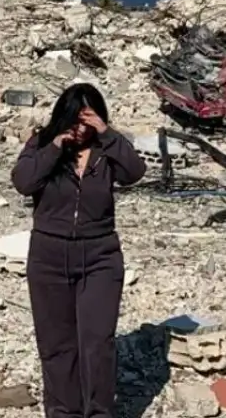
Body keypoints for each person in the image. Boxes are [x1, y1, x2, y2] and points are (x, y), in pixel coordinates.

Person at [11, 83, 147, 418]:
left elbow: (135, 173)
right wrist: (56, 146)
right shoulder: (42, 143)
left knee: (97, 343)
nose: (82, 128)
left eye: (88, 120)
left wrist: (107, 132)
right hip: (49, 256)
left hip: (100, 254)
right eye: (76, 119)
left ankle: (99, 413)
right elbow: (23, 182)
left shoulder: (108, 148)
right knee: (57, 344)